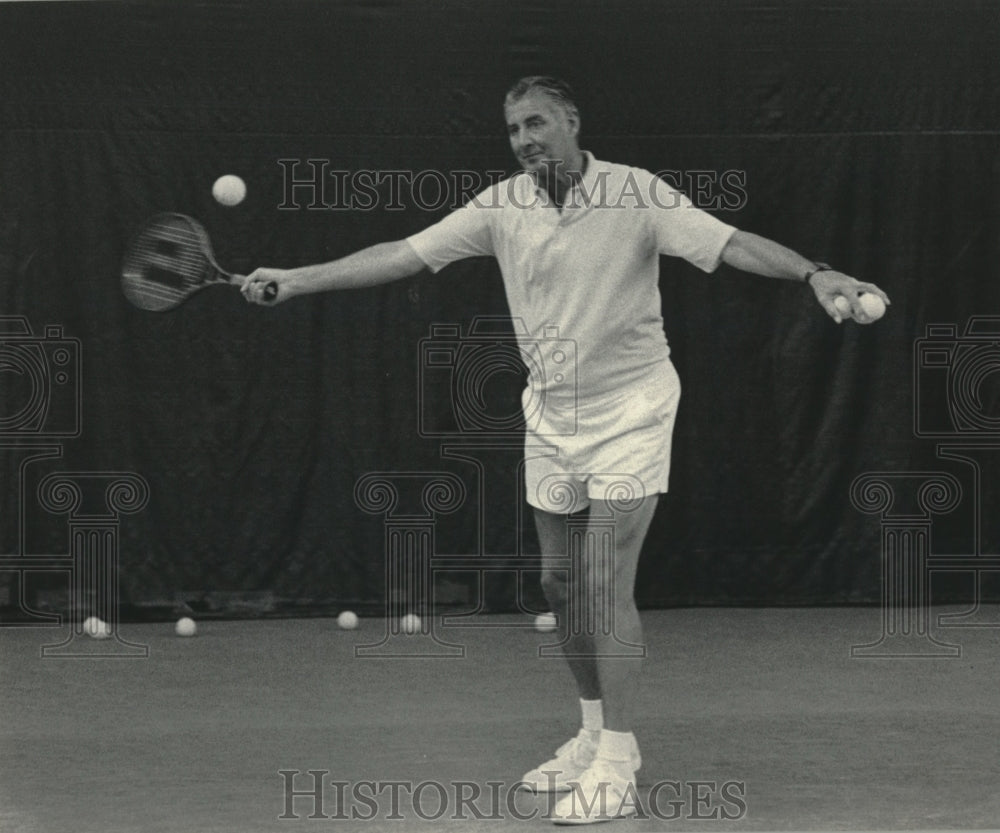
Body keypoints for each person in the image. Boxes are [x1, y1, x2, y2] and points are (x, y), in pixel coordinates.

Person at [243, 76, 889, 824]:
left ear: (573, 122)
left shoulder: (637, 193)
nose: (525, 139)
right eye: (514, 128)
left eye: (538, 122)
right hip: (550, 414)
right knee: (559, 583)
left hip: (634, 405)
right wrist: (298, 279)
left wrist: (815, 271)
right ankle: (589, 733)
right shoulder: (500, 207)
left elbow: (731, 242)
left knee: (603, 577)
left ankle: (618, 760)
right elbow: (406, 254)